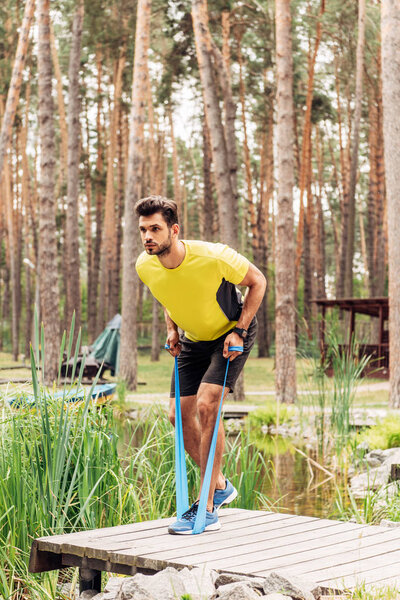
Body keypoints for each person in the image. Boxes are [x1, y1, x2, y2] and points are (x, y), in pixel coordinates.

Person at [135, 195, 266, 534]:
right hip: (192, 340)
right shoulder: (145, 266)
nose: (148, 236)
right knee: (176, 415)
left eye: (155, 229)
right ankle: (220, 485)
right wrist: (172, 329)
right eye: (143, 230)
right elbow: (169, 296)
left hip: (230, 335)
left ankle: (206, 507)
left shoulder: (214, 256)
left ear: (174, 230)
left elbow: (258, 282)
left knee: (208, 406)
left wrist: (239, 330)